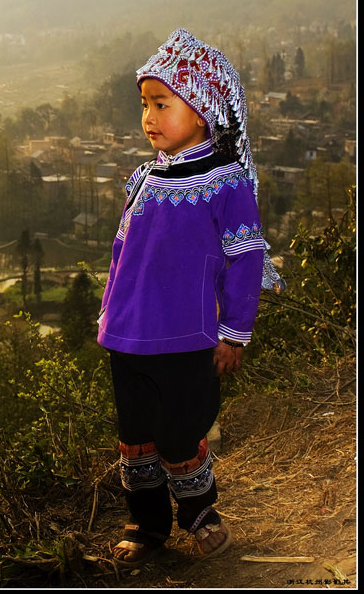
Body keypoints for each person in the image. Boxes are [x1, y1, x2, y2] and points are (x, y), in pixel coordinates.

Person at [97, 29, 284, 566]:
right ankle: (147, 526)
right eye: (145, 105)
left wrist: (234, 333)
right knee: (136, 440)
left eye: (162, 103)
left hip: (188, 338)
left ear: (201, 112)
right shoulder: (143, 180)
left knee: (179, 435)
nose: (149, 116)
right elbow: (121, 253)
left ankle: (200, 515)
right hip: (129, 336)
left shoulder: (227, 184)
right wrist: (109, 310)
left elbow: (245, 259)